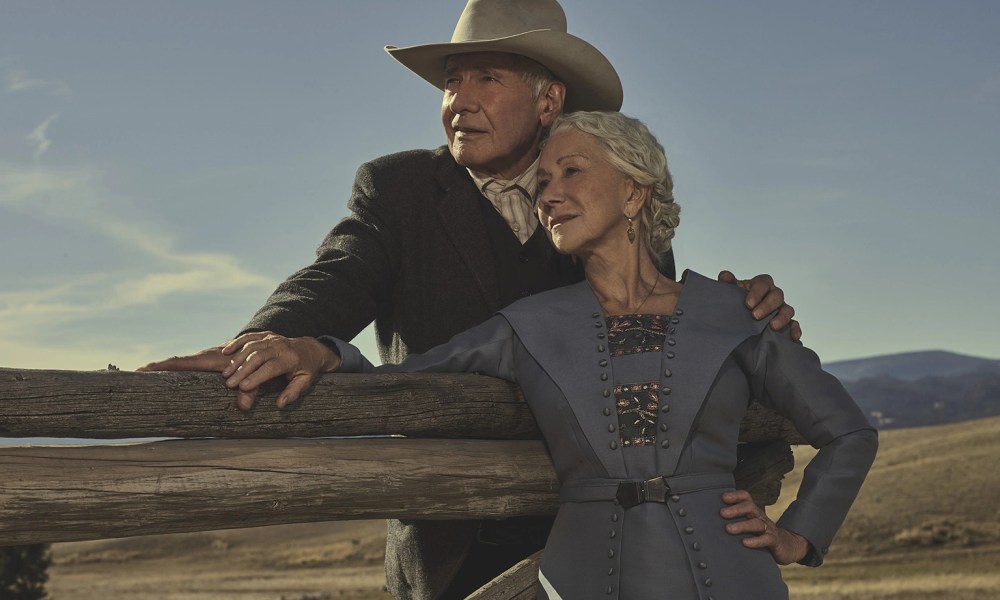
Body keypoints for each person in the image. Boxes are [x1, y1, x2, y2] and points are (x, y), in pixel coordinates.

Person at [140, 1, 801, 597]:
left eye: (487, 77)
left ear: (549, 103)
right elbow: (338, 275)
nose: (460, 98)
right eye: (452, 80)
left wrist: (734, 324)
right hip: (449, 547)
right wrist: (279, 335)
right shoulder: (398, 190)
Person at [215, 110, 878, 599]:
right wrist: (317, 350)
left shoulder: (734, 313)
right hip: (579, 578)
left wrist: (800, 534)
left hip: (734, 577)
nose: (548, 192)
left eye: (571, 172)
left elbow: (847, 431)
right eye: (544, 178)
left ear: (634, 191)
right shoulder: (526, 326)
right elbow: (404, 379)